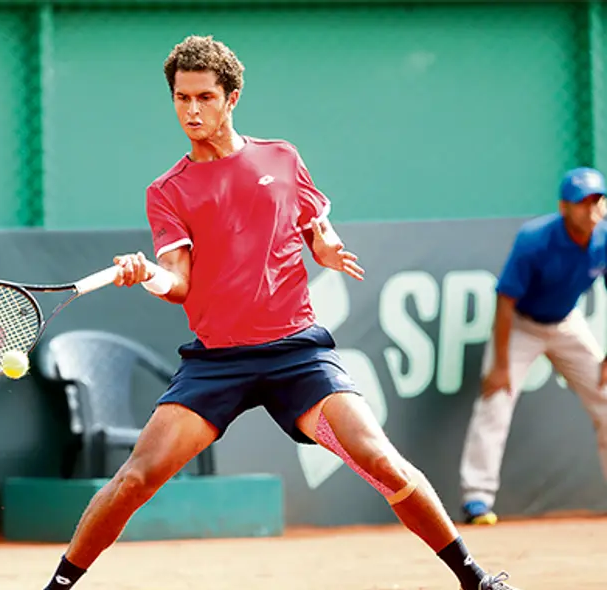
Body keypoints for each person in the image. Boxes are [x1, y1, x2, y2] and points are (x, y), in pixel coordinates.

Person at [39, 35, 518, 590]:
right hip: (216, 362)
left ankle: (474, 579)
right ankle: (58, 587)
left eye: (204, 97)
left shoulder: (281, 158)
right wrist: (146, 274)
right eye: (181, 98)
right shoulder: (168, 191)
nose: (191, 110)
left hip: (297, 354)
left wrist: (327, 248)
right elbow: (177, 283)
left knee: (381, 461)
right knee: (134, 479)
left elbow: (315, 227)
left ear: (231, 97)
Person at [459, 166, 607, 526]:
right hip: (522, 324)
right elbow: (506, 299)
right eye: (581, 203)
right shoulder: (535, 239)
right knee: (495, 400)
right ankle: (476, 500)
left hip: (566, 323)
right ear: (563, 207)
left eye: (596, 201)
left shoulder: (604, 238)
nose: (590, 210)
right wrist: (500, 365)